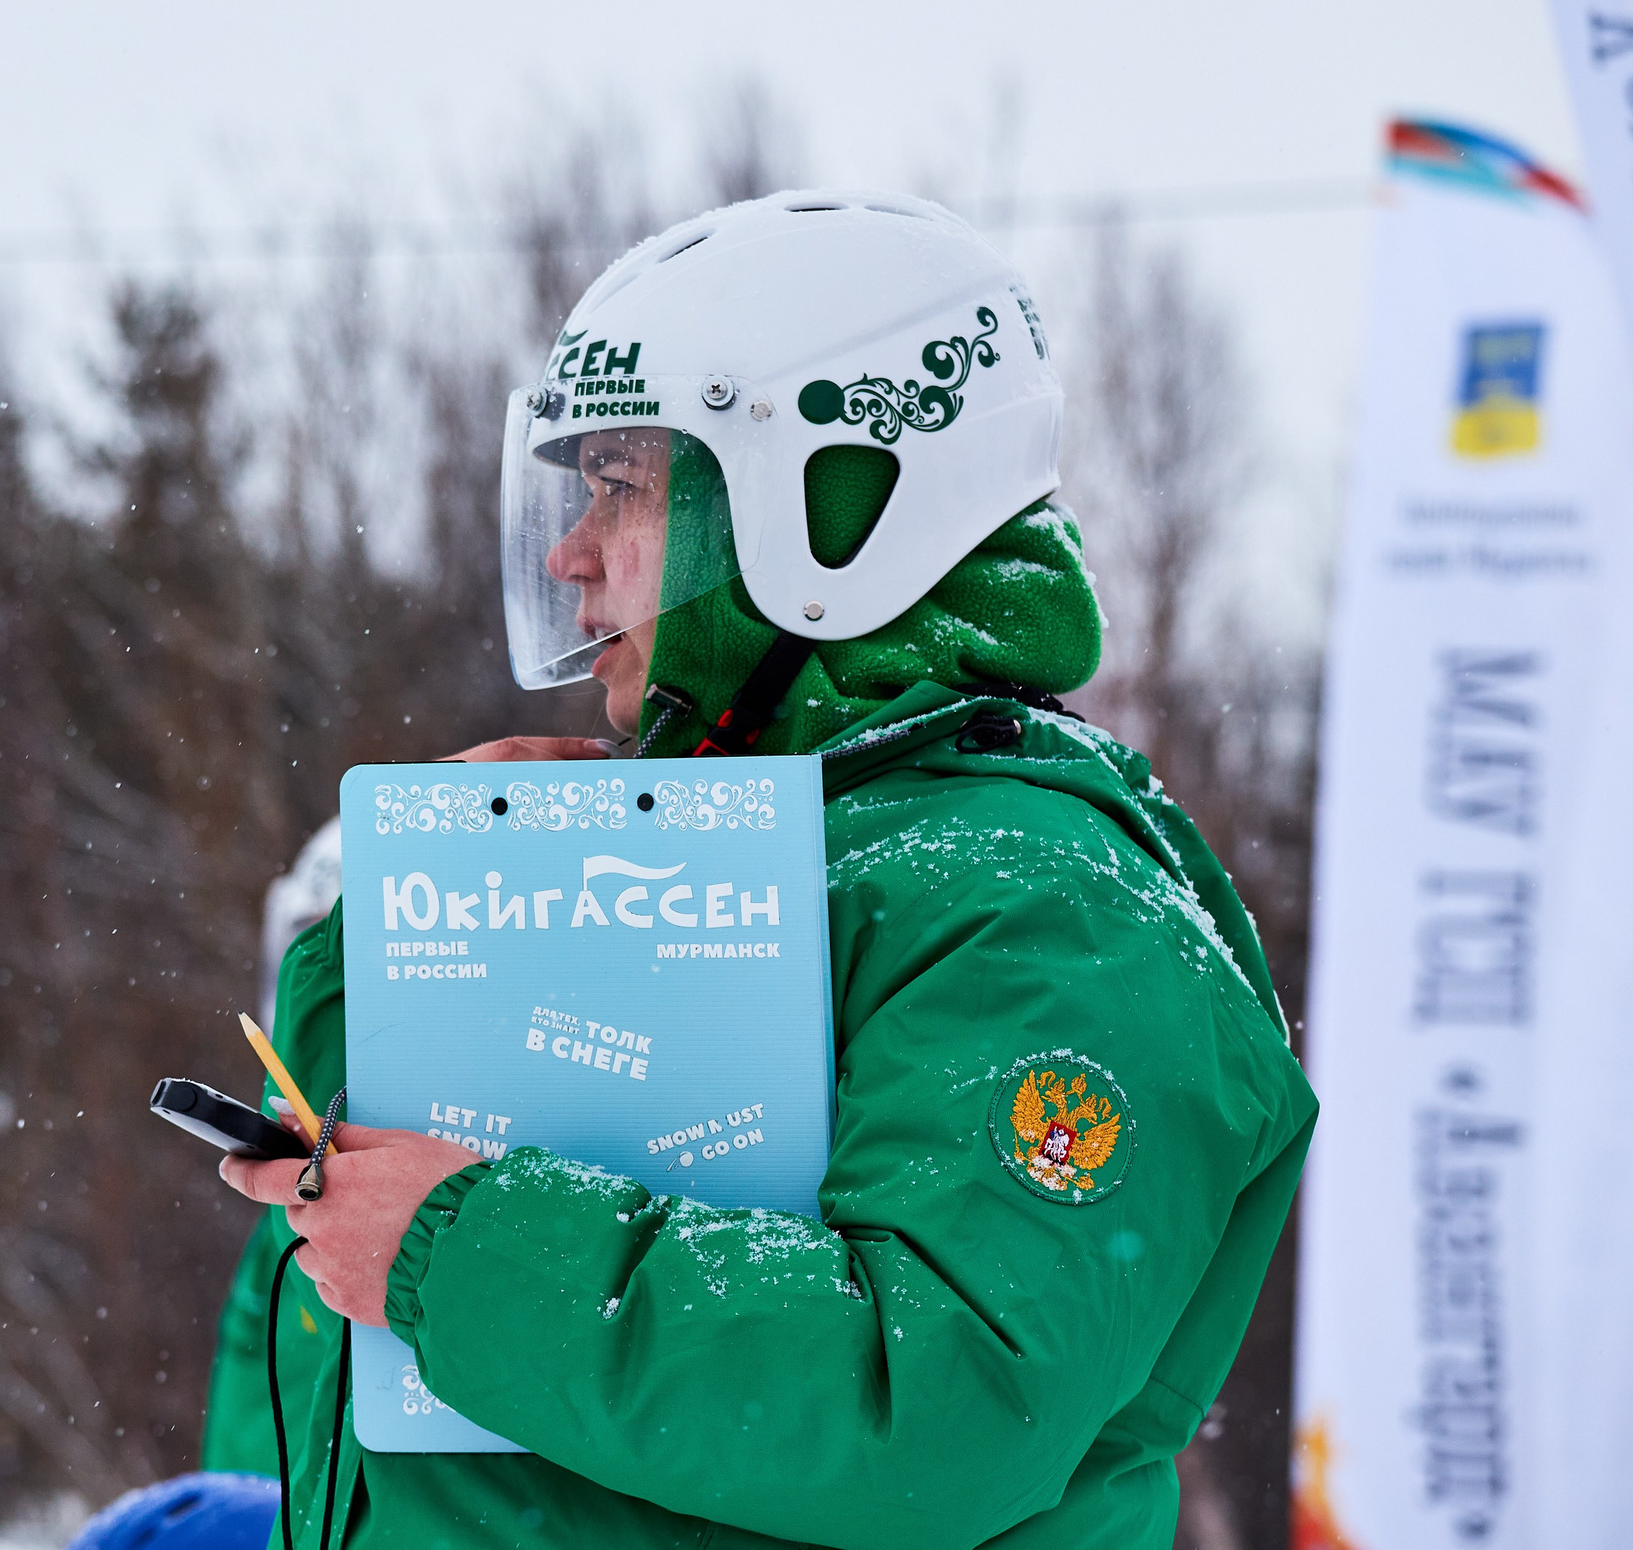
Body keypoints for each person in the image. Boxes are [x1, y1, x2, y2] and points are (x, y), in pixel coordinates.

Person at [201, 192, 1316, 1548]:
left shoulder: (1051, 910)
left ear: (830, 505)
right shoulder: (713, 849)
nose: (569, 553)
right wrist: (412, 916)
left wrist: (457, 1250)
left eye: (619, 486)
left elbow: (940, 1404)